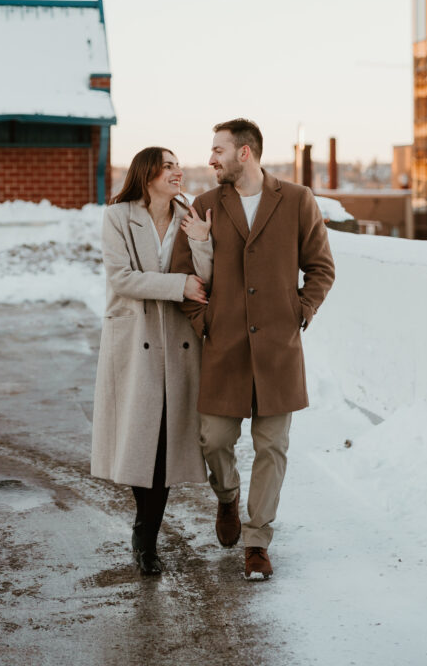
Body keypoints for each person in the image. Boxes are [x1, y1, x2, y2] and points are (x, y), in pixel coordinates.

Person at [171, 118, 335, 580]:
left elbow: (321, 267)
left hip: (278, 350)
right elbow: (185, 275)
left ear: (244, 153)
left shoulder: (297, 200)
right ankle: (227, 496)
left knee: (272, 447)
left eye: (218, 150)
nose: (211, 159)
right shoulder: (205, 205)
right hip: (224, 348)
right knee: (213, 440)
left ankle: (257, 540)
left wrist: (300, 310)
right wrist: (205, 322)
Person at [91, 147, 213, 575]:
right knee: (138, 438)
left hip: (180, 340)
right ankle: (145, 530)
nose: (178, 172)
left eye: (179, 165)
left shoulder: (189, 216)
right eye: (169, 166)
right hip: (134, 337)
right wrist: (179, 285)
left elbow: (206, 278)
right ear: (147, 174)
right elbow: (122, 278)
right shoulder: (118, 217)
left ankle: (146, 538)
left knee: (165, 441)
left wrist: (201, 241)